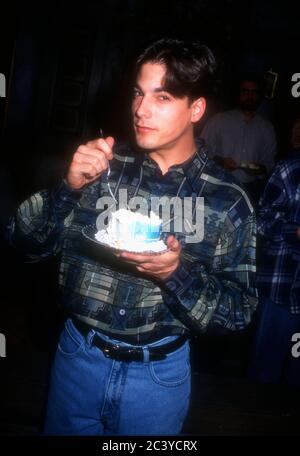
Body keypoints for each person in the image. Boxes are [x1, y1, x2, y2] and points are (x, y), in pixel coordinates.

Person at [7, 38, 257, 435]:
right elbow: (22, 245)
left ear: (196, 109)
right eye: (139, 93)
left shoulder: (227, 201)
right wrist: (65, 189)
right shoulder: (99, 167)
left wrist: (175, 274)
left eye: (162, 97)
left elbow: (238, 313)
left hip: (158, 375)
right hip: (77, 358)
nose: (140, 109)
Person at [249, 117, 300, 386]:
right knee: (265, 373)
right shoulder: (289, 168)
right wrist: (296, 231)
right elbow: (263, 220)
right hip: (283, 287)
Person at [201, 75, 277, 205]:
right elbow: (200, 150)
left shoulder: (267, 128)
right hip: (217, 185)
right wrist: (220, 161)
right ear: (238, 94)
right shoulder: (219, 120)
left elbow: (270, 161)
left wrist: (259, 169)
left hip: (250, 190)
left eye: (254, 92)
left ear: (259, 96)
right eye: (245, 91)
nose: (249, 95)